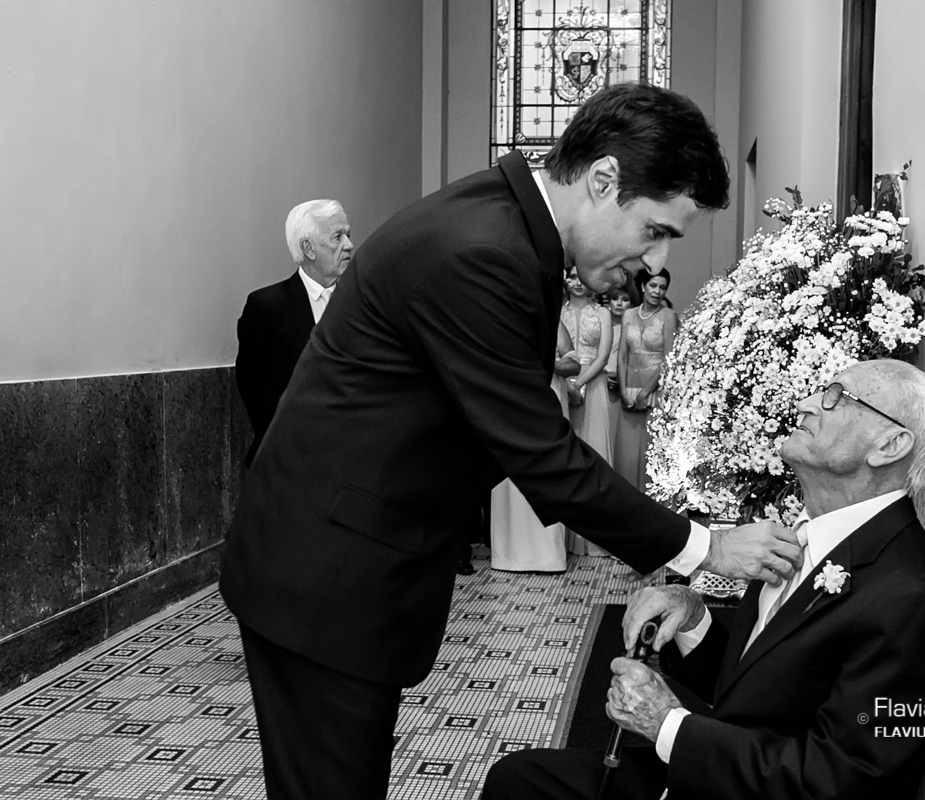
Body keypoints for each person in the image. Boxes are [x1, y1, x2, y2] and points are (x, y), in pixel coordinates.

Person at [219, 83, 802, 800]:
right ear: (603, 179)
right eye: (656, 230)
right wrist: (706, 546)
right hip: (325, 576)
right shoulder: (483, 252)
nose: (655, 263)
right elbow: (542, 455)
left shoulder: (503, 227)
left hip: (348, 561)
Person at [482, 359, 925, 800]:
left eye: (836, 396)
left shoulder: (911, 598)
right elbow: (764, 688)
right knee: (520, 779)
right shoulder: (802, 537)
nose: (804, 403)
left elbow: (841, 783)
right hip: (719, 773)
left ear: (890, 445)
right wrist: (693, 619)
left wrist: (668, 724)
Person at [234, 199, 352, 467]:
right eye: (338, 237)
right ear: (308, 248)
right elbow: (253, 386)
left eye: (348, 234)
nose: (349, 245)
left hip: (348, 465)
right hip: (286, 463)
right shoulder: (268, 307)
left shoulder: (357, 303)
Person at [489, 324, 580, 572]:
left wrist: (544, 362)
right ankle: (509, 554)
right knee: (510, 473)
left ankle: (548, 555)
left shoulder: (555, 322)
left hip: (546, 397)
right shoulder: (500, 316)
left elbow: (574, 365)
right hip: (508, 397)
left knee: (548, 468)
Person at [562, 266, 615, 557]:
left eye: (580, 277)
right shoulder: (558, 313)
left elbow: (604, 353)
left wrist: (579, 383)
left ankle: (597, 537)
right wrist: (567, 385)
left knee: (594, 458)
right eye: (571, 277)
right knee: (566, 458)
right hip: (561, 387)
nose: (577, 282)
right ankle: (566, 538)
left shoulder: (603, 314)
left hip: (593, 389)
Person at [613, 268, 678, 490]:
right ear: (643, 286)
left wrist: (645, 392)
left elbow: (669, 359)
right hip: (628, 391)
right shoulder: (629, 314)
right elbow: (622, 355)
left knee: (651, 457)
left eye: (662, 287)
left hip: (655, 393)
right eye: (653, 286)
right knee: (626, 456)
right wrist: (623, 390)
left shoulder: (668, 316)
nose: (657, 291)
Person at [603, 285, 631, 446]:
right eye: (615, 299)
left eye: (625, 300)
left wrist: (623, 380)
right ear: (609, 302)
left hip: (624, 386)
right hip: (598, 381)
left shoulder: (633, 329)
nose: (619, 304)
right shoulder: (598, 324)